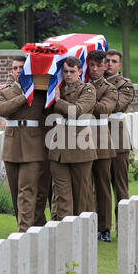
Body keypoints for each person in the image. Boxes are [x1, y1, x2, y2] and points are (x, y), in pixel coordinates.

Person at [0, 55, 51, 232]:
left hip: (33, 144)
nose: (19, 71)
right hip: (12, 145)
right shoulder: (4, 91)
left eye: (22, 67)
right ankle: (28, 224)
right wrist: (25, 96)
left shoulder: (40, 92)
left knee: (27, 189)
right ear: (11, 71)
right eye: (15, 68)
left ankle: (24, 230)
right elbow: (2, 110)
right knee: (14, 191)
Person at [48, 56, 98, 221]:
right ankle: (62, 231)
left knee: (81, 196)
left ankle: (83, 232)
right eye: (65, 71)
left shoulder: (88, 89)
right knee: (62, 195)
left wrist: (58, 101)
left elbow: (78, 111)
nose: (68, 74)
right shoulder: (57, 88)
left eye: (72, 71)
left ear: (80, 71)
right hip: (59, 148)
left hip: (80, 147)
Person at [88, 49, 118, 242]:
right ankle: (88, 222)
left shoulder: (110, 88)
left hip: (101, 139)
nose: (96, 69)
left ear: (105, 66)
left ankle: (104, 227)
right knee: (85, 185)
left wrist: (85, 99)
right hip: (80, 138)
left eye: (99, 65)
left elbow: (105, 109)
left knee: (102, 185)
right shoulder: (80, 84)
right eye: (92, 65)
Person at [105, 49, 135, 234]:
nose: (109, 64)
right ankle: (103, 226)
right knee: (99, 186)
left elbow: (117, 105)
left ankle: (123, 226)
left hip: (117, 138)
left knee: (120, 186)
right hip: (98, 137)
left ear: (119, 65)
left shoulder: (125, 84)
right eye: (107, 60)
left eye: (113, 61)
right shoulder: (92, 82)